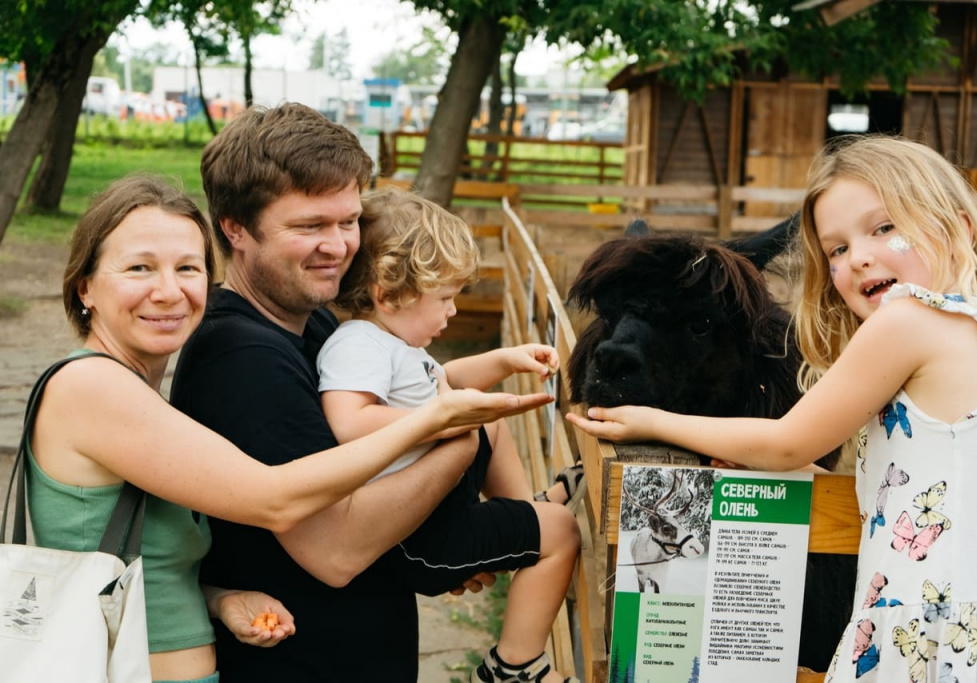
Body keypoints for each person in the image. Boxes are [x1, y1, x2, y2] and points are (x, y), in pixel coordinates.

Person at [29, 174, 548, 683]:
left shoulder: (139, 392)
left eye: (188, 268)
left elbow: (140, 568)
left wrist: (219, 600)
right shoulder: (91, 388)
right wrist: (444, 425)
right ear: (85, 287)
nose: (169, 290)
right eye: (140, 267)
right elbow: (276, 498)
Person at [568, 135, 977, 682]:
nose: (858, 256)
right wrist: (805, 476)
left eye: (884, 228)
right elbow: (919, 485)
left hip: (931, 630)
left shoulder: (909, 322)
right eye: (836, 249)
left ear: (957, 231)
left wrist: (651, 421)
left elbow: (787, 439)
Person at [169, 103, 550, 681]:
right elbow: (335, 552)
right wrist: (461, 434)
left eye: (348, 221)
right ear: (235, 228)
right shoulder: (240, 357)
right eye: (309, 226)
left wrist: (450, 536)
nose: (339, 245)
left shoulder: (318, 323)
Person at [317, 186, 581, 683]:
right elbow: (349, 422)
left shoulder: (392, 342)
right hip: (417, 536)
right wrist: (442, 419)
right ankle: (514, 666)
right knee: (564, 533)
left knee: (490, 420)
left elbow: (447, 382)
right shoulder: (357, 345)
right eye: (445, 298)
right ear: (388, 294)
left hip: (436, 505)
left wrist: (504, 361)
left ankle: (528, 509)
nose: (453, 312)